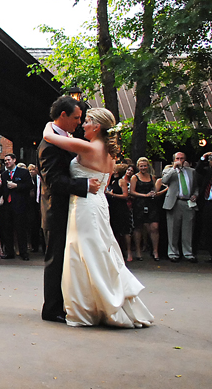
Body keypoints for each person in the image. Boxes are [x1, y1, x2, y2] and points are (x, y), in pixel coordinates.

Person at [42, 108, 153, 328]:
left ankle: (89, 305)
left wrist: (50, 122)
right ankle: (97, 300)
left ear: (97, 127)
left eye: (88, 121)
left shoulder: (89, 147)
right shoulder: (109, 152)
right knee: (98, 250)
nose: (83, 123)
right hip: (99, 203)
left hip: (85, 206)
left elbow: (48, 136)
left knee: (85, 253)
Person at [38, 97, 98, 323]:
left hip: (74, 209)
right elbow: (55, 182)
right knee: (56, 260)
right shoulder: (49, 145)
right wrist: (84, 185)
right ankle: (52, 308)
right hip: (57, 211)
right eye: (76, 118)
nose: (78, 122)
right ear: (62, 116)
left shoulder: (61, 138)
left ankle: (66, 303)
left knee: (67, 259)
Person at [162, 151, 200, 263]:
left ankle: (188, 253)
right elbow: (164, 181)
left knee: (188, 230)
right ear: (174, 160)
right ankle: (173, 253)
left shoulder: (191, 171)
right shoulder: (169, 171)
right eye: (177, 158)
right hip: (174, 202)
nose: (180, 160)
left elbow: (196, 187)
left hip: (188, 202)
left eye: (182, 158)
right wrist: (174, 169)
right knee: (173, 229)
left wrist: (195, 195)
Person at [0, 152, 33, 260]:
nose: (7, 162)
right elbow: (3, 188)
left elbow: (29, 185)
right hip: (8, 206)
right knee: (7, 229)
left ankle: (23, 252)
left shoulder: (23, 172)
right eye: (5, 161)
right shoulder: (4, 174)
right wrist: (2, 197)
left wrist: (16, 186)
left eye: (8, 160)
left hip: (20, 205)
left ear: (14, 160)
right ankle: (9, 252)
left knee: (21, 230)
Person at [130, 157, 164, 261]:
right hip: (139, 203)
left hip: (151, 204)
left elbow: (154, 189)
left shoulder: (152, 177)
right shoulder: (134, 178)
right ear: (138, 166)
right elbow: (132, 191)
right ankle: (139, 252)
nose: (143, 168)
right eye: (141, 166)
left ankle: (155, 251)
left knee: (154, 227)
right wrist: (144, 195)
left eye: (145, 165)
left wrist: (153, 193)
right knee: (139, 227)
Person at [107, 163, 136, 261]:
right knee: (114, 230)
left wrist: (113, 195)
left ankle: (129, 252)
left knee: (124, 231)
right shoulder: (111, 180)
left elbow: (125, 195)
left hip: (121, 208)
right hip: (112, 208)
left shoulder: (121, 181)